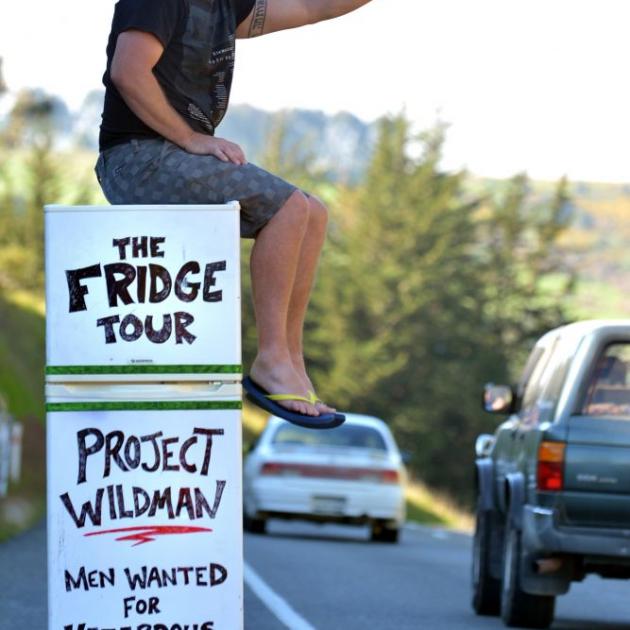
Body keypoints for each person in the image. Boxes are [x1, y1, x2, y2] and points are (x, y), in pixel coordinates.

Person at [95, 0, 373, 428]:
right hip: (134, 160)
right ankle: (271, 359)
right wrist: (191, 138)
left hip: (170, 155)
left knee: (312, 213)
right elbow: (127, 71)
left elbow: (314, 6)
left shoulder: (225, 5)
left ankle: (290, 365)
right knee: (287, 207)